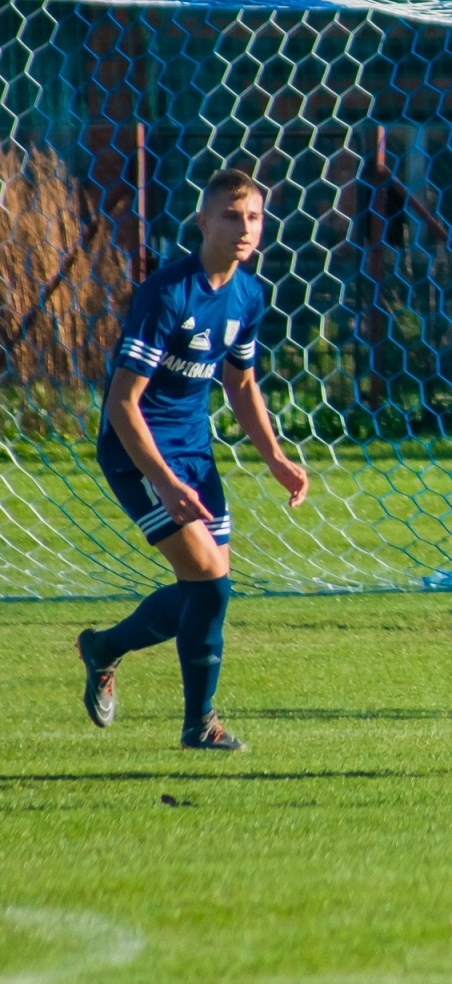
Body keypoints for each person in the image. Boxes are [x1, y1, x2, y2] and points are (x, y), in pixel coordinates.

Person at [76, 169, 309, 751]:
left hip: (193, 452)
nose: (244, 227)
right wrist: (164, 481)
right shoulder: (167, 294)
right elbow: (123, 405)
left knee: (209, 588)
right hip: (138, 450)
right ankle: (198, 726)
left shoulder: (249, 294)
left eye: (254, 216)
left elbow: (241, 382)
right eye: (231, 215)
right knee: (210, 582)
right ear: (202, 221)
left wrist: (275, 456)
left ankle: (104, 649)